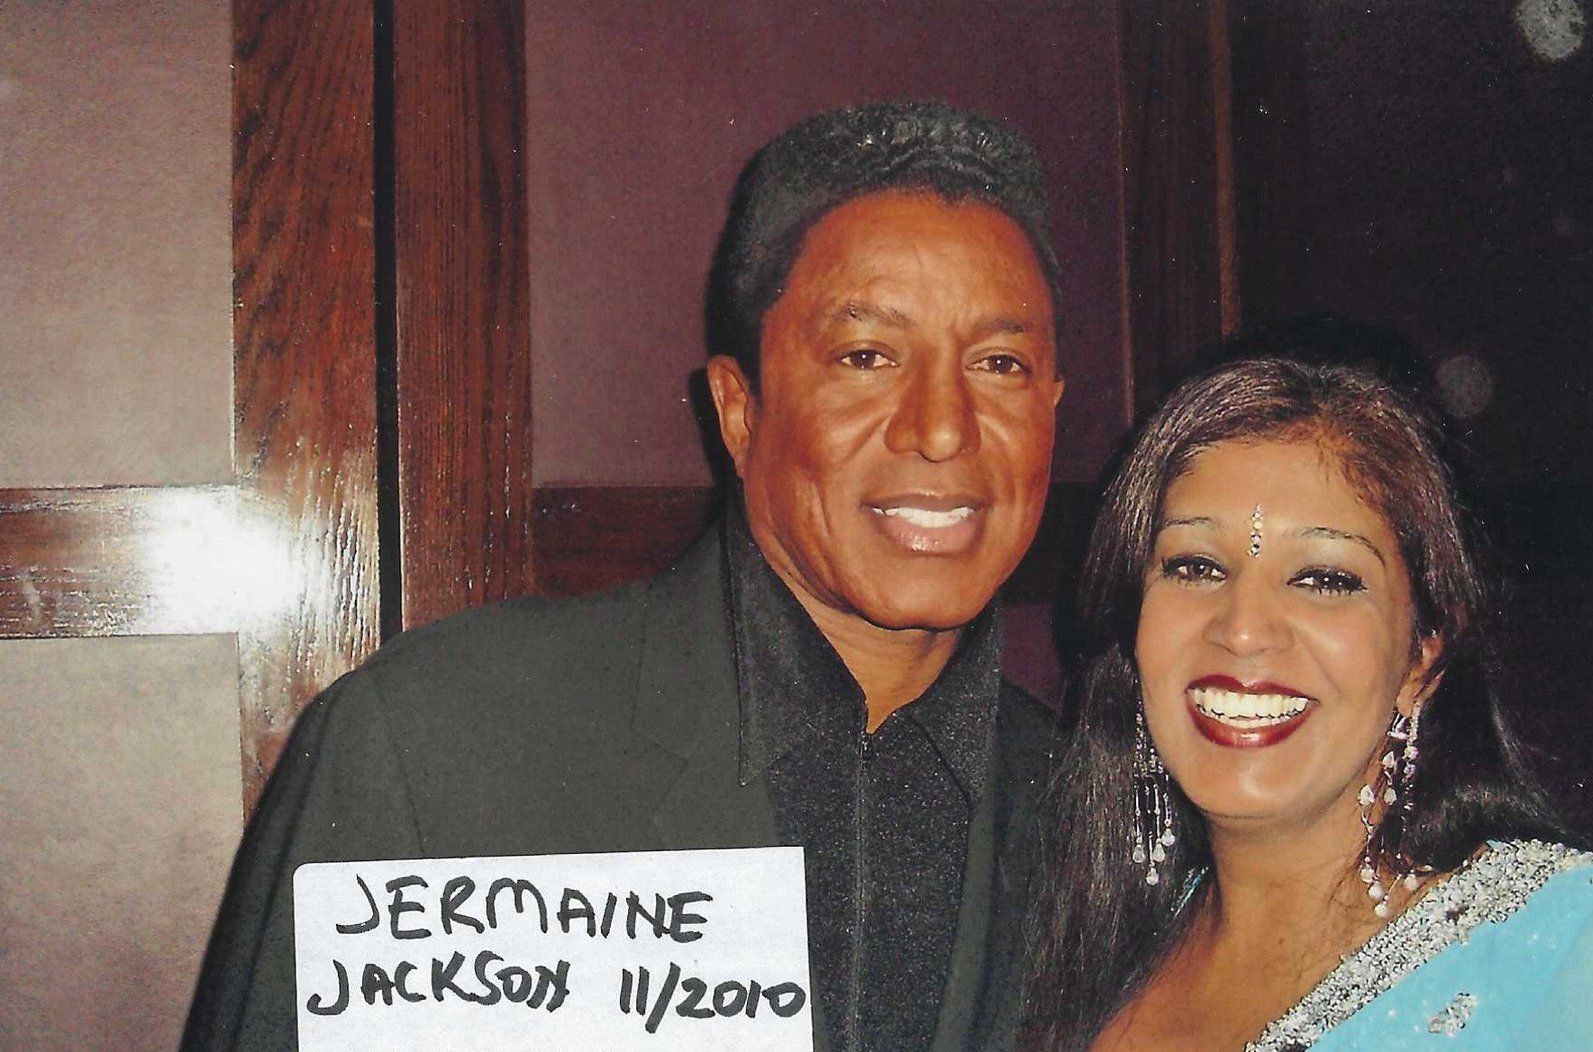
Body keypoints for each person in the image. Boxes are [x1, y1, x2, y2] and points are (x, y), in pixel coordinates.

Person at [183, 100, 1068, 1052]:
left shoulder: (1099, 811)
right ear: (739, 411)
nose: (943, 429)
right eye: (866, 356)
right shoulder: (433, 744)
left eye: (1000, 363)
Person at [1023, 349, 1593, 1050]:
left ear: (1423, 655)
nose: (1242, 630)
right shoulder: (1083, 945)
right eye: (1197, 567)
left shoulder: (1559, 948)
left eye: (1324, 579)